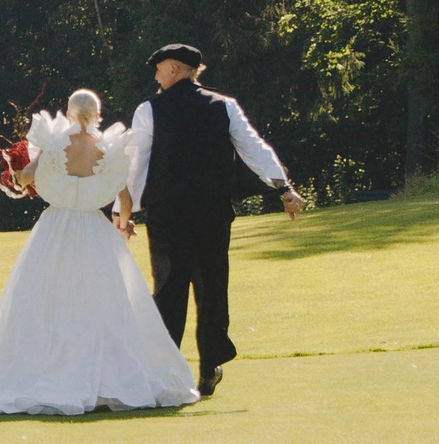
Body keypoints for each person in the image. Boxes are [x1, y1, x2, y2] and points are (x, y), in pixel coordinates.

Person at [0, 90, 198, 417]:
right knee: (103, 302)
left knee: (47, 299)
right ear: (98, 114)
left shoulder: (54, 145)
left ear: (70, 113)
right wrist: (123, 225)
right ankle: (106, 379)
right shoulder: (109, 149)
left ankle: (46, 373)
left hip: (55, 229)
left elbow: (26, 178)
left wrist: (12, 170)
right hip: (94, 230)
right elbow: (125, 200)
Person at [120, 45, 302, 398]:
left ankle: (165, 371)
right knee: (212, 288)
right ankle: (210, 365)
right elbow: (253, 147)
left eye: (159, 69)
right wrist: (284, 187)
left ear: (174, 70)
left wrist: (122, 211)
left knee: (169, 288)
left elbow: (135, 162)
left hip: (168, 213)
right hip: (212, 212)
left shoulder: (149, 109)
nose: (156, 76)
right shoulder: (224, 105)